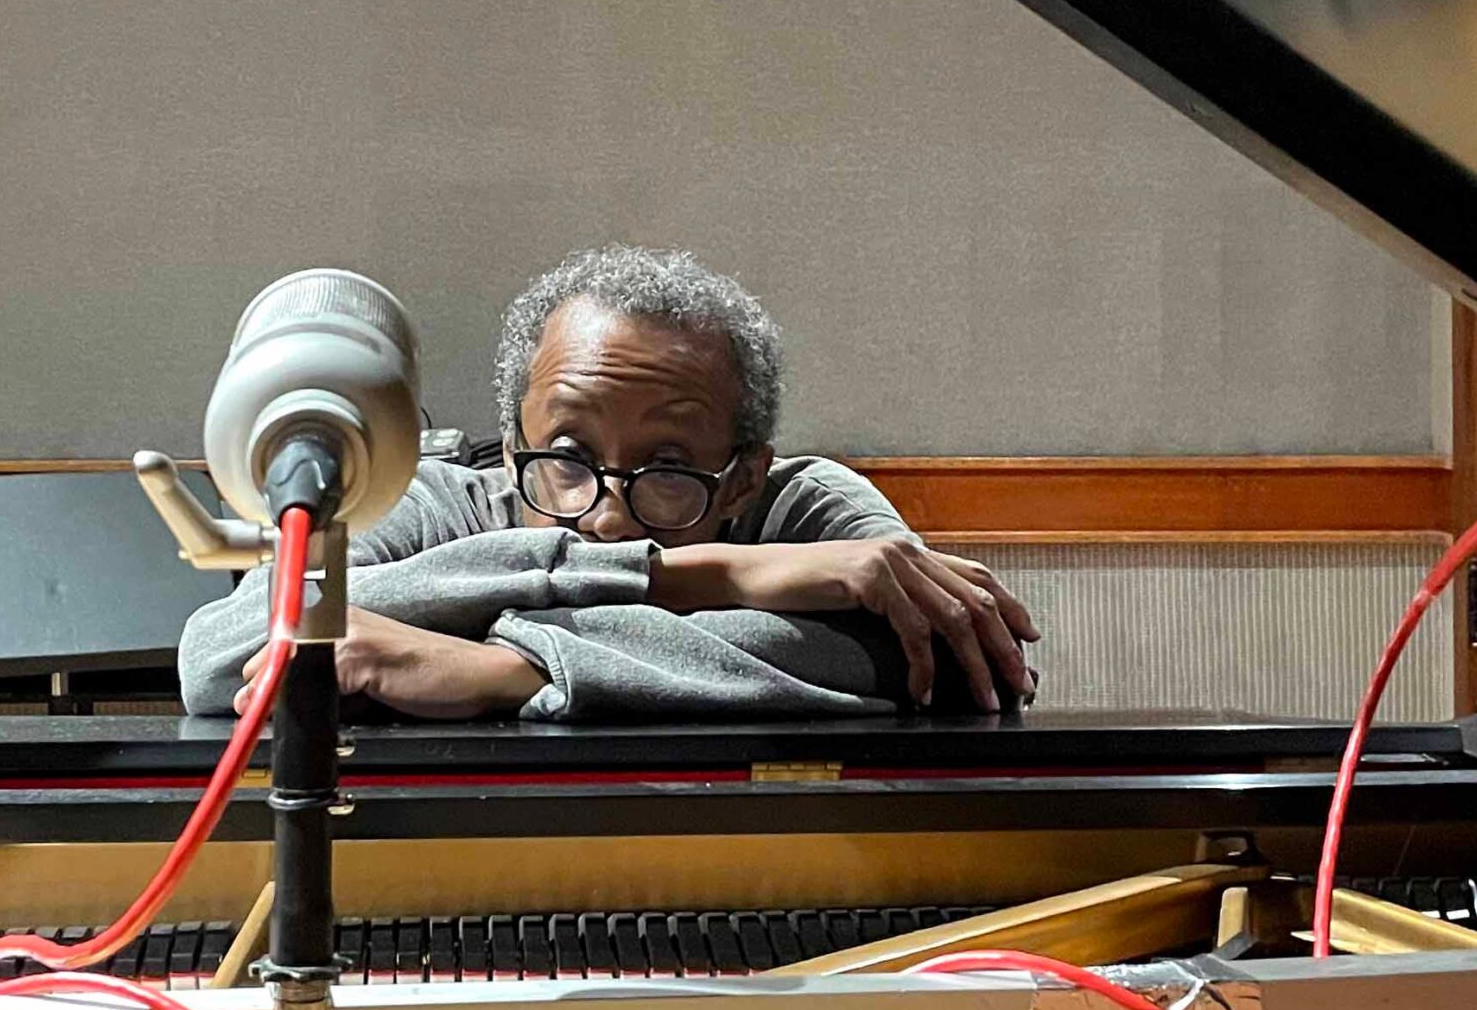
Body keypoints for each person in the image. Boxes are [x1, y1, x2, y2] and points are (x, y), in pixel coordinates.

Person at [179, 246, 1039, 722]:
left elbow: (944, 666)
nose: (608, 516)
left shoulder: (809, 509)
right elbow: (224, 652)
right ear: (513, 439)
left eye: (667, 471)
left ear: (742, 478)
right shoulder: (439, 500)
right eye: (566, 457)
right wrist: (699, 576)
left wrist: (507, 669)